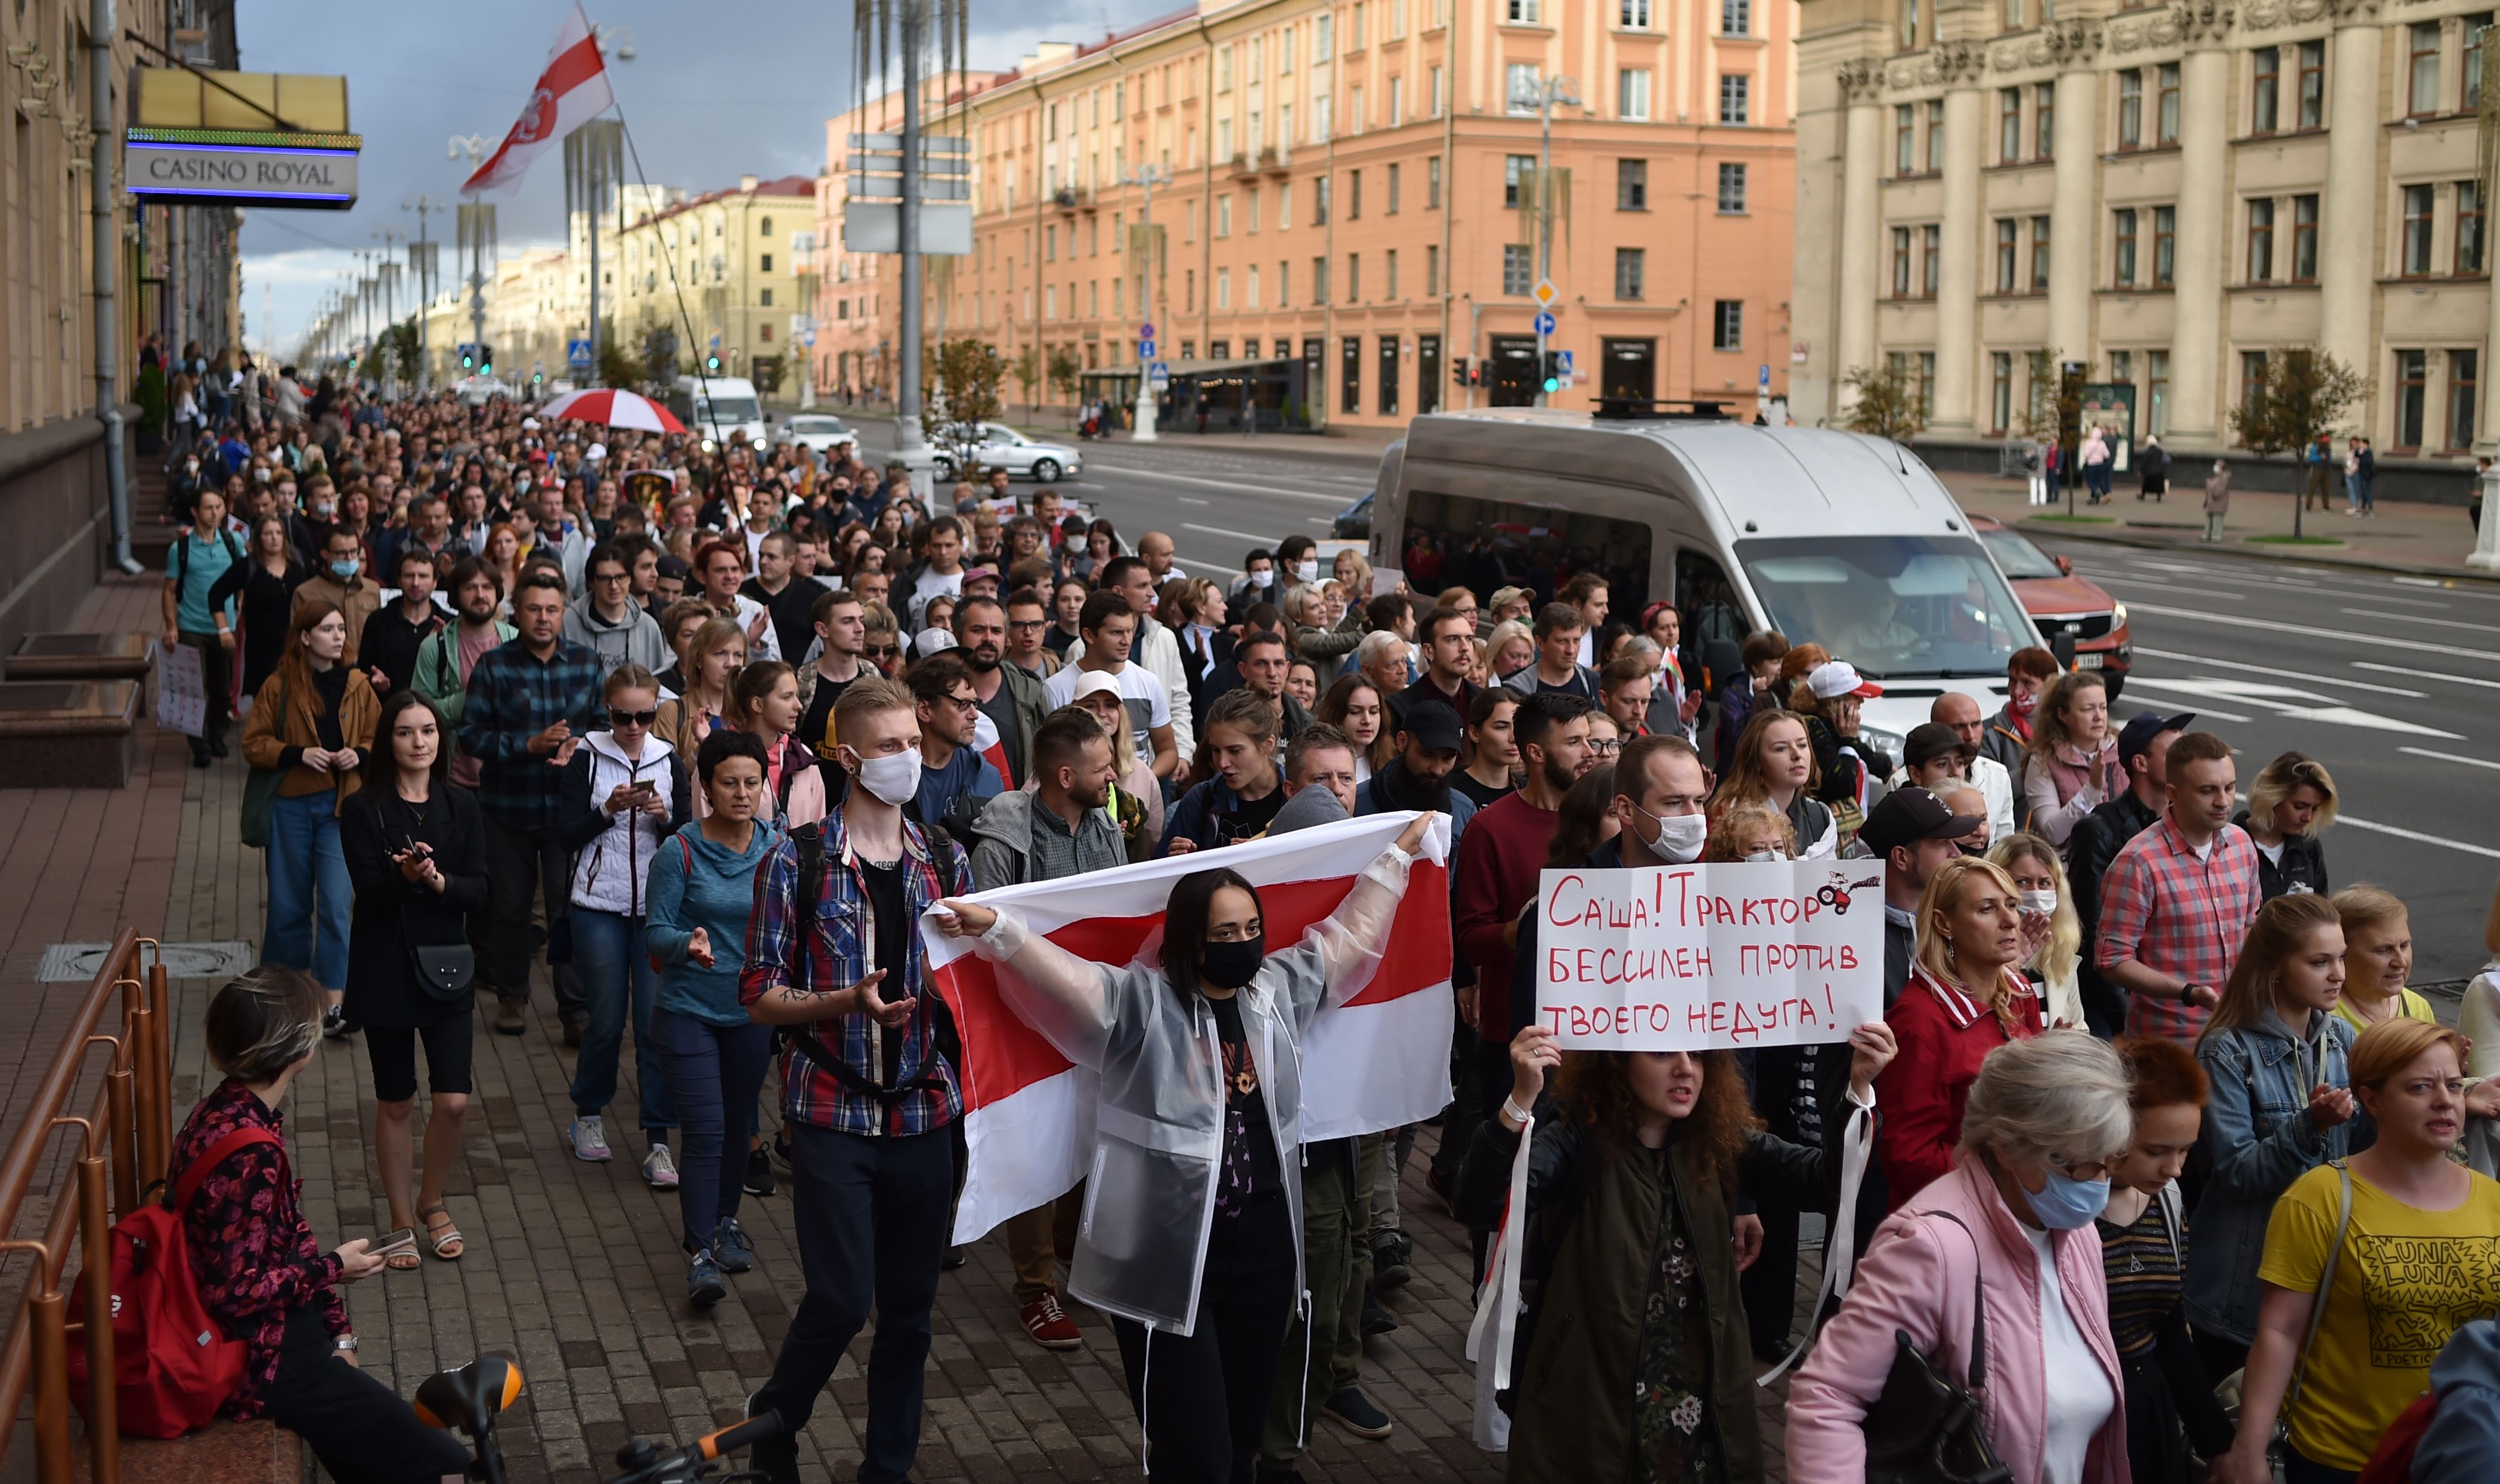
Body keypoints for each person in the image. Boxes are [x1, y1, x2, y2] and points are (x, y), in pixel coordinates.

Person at [932, 816, 1434, 1483]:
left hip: (1263, 1253)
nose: (1244, 944)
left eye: (1251, 929)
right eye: (1225, 933)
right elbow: (1067, 979)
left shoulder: (1275, 992)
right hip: (1168, 1261)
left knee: (1239, 1438)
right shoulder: (1141, 1003)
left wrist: (1394, 858)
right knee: (1189, 1444)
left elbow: (1348, 939)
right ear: (1190, 940)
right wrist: (998, 928)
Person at [1454, 1016, 1898, 1484]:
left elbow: (1827, 1181)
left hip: (1699, 1410)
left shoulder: (1718, 1142)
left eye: (1698, 1055)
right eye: (1663, 1053)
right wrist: (1520, 1099)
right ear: (1618, 1059)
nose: (1686, 1068)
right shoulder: (1575, 1143)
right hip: (1596, 1404)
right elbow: (1480, 1201)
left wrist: (1858, 1092)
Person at [739, 678, 975, 1484]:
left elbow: (976, 988)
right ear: (847, 758)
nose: (908, 758)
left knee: (909, 1317)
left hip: (925, 1113)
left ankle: (887, 1469)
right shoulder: (794, 859)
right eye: (889, 746)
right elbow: (760, 994)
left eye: (913, 742)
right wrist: (844, 1000)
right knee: (841, 1300)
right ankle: (774, 1423)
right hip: (831, 1111)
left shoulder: (945, 858)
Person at [1788, 1031, 2136, 1484]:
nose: (2098, 1181)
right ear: (2008, 1145)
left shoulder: (2076, 1234)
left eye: (2110, 1160)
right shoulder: (1929, 1245)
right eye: (2080, 1164)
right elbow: (1828, 1396)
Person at [169, 969, 475, 1484]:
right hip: (264, 1361)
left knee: (379, 1452)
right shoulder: (252, 1154)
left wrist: (342, 1333)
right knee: (448, 1466)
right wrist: (334, 1267)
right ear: (298, 1050)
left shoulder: (224, 1111)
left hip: (282, 1340)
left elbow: (285, 1240)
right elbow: (234, 1291)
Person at [2217, 1020, 2500, 1484]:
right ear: (2371, 1100)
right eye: (2419, 1087)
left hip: (2464, 1456)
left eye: (2452, 1085)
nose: (2444, 1100)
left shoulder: (2491, 1200)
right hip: (2340, 1460)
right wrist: (2248, 1449)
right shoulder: (2320, 1196)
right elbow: (2279, 1330)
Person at [2185, 892, 2359, 1378]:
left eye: (2341, 957)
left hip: (2321, 1283)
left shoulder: (2342, 1040)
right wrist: (2310, 1125)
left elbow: (2370, 1150)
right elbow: (2238, 1172)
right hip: (2241, 1293)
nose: (2338, 974)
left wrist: (2450, 1092)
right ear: (2276, 966)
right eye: (2319, 961)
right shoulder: (2226, 1050)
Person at [339, 693, 487, 1269]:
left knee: (452, 1101)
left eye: (428, 730)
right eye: (405, 732)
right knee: (396, 1099)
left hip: (447, 964)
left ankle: (433, 1199)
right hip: (385, 964)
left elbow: (480, 890)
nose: (419, 741)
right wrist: (404, 875)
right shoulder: (363, 808)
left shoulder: (463, 806)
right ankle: (402, 1218)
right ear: (388, 741)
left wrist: (437, 881)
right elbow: (368, 893)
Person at [647, 729, 783, 1306]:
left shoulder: (777, 849)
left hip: (751, 1012)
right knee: (704, 1130)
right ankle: (700, 1253)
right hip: (687, 1010)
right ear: (705, 786)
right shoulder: (677, 851)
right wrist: (688, 945)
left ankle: (726, 1222)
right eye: (729, 782)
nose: (742, 792)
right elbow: (654, 930)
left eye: (752, 782)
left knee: (737, 1128)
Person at [459, 568, 603, 1041]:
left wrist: (578, 743)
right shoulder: (495, 665)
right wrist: (529, 745)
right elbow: (470, 734)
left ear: (565, 613)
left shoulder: (587, 662)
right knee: (510, 909)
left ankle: (575, 1010)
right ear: (515, 613)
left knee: (570, 908)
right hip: (507, 808)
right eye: (534, 609)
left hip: (568, 811)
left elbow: (604, 725)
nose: (543, 618)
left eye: (552, 609)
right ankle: (511, 996)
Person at [555, 664, 687, 1181]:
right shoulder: (585, 758)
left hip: (656, 909)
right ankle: (587, 1114)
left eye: (644, 715)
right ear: (607, 710)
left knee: (656, 1025)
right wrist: (608, 809)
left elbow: (686, 836)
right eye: (622, 715)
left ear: (656, 711)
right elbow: (564, 836)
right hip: (596, 904)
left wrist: (663, 818)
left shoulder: (668, 758)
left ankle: (658, 1139)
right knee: (606, 1020)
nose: (633, 725)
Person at [2096, 1037, 2232, 1484]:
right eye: (2156, 1151)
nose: (2174, 1168)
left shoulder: (2167, 1201)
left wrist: (2217, 1445)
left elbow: (2171, 1332)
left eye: (2185, 1150)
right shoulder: (2065, 1215)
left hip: (2148, 1410)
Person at [1876, 856, 2048, 1207]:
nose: (2010, 921)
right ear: (1944, 923)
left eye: (2011, 905)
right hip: (1952, 1216)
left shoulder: (2020, 992)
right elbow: (1910, 1157)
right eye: (1987, 909)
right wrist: (2006, 1174)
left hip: (2024, 1201)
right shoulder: (1918, 1020)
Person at [1454, 693, 1593, 1115]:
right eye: (1573, 742)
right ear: (1535, 752)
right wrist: (1530, 923)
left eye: (1588, 740)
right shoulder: (1488, 828)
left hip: (1596, 1027)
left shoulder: (1605, 820)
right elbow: (1472, 939)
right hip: (1518, 1036)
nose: (1589, 753)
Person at [244, 600, 379, 1037]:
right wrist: (297, 753)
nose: (338, 636)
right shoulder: (280, 684)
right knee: (288, 904)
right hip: (291, 803)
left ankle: (334, 1002)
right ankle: (288, 998)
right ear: (304, 637)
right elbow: (254, 742)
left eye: (341, 628)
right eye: (326, 629)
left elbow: (379, 738)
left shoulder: (359, 684)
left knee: (338, 906)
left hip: (342, 808)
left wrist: (357, 753)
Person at [2098, 730, 2262, 1042]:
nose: (2223, 801)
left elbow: (2250, 926)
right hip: (2172, 1042)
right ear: (2173, 792)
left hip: (2238, 1034)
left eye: (2230, 788)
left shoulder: (2241, 845)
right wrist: (2187, 993)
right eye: (2207, 791)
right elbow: (2112, 961)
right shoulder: (2138, 862)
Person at [2070, 711, 2191, 1038]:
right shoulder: (2098, 831)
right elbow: (2094, 935)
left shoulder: (2190, 827)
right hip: (2118, 1006)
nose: (2188, 762)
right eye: (2175, 755)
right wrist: (2126, 1021)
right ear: (2140, 763)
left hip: (2179, 1002)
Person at [1860, 786, 1987, 1007]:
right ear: (1901, 857)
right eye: (1942, 843)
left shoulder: (1951, 916)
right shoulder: (1850, 932)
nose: (1956, 853)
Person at [1043, 591, 1179, 782]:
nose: (1127, 640)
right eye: (1116, 633)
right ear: (1089, 635)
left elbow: (1168, 750)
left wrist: (1141, 782)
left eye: (1129, 630)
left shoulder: (1148, 683)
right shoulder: (1056, 688)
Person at [166, 485, 246, 766]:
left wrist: (238, 604)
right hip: (192, 625)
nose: (216, 513)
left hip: (225, 627)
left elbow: (243, 575)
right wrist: (171, 626)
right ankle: (198, 744)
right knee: (193, 687)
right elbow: (169, 590)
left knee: (222, 687)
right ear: (195, 512)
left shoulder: (232, 541)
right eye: (209, 508)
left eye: (219, 507)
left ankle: (217, 735)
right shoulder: (181, 548)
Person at [1163, 689, 1291, 853]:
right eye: (1216, 750)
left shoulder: (1296, 797)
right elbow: (1158, 872)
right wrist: (1178, 860)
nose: (1222, 763)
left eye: (1235, 751)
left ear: (1269, 744)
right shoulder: (1200, 799)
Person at [209, 510, 311, 712]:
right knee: (267, 703)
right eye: (268, 534)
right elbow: (216, 594)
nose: (274, 538)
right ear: (259, 538)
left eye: (278, 533)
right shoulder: (248, 566)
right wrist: (223, 630)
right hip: (260, 648)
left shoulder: (298, 562)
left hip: (295, 645)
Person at [1099, 554, 1197, 762]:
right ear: (1118, 592)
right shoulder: (1084, 648)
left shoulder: (1165, 638)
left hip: (1158, 766)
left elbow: (1178, 700)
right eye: (1143, 586)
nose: (1152, 593)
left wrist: (1182, 753)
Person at [1992, 832, 2088, 1031]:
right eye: (2023, 882)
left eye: (2044, 883)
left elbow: (2080, 1030)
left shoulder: (2062, 955)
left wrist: (2063, 1045)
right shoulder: (1978, 956)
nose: (2035, 891)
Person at [1712, 708, 1838, 858]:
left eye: (1802, 745)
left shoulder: (1821, 816)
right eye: (1781, 748)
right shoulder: (1730, 813)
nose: (1797, 755)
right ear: (1757, 761)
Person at [1067, 670, 1166, 858]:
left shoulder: (1142, 773)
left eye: (1110, 706)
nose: (1102, 714)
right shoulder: (1057, 771)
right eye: (1091, 706)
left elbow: (1155, 843)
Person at [2021, 672, 2123, 851]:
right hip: (2069, 867)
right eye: (2088, 709)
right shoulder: (2043, 760)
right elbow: (2053, 833)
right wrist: (2091, 791)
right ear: (2062, 715)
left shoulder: (2123, 749)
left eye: (2103, 707)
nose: (2099, 716)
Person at [955, 595, 1049, 788]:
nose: (988, 638)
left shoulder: (1030, 692)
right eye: (978, 630)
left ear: (1006, 638)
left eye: (996, 631)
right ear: (958, 634)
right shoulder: (937, 694)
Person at [906, 652, 1004, 834]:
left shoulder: (987, 777)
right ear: (925, 710)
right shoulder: (889, 775)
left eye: (975, 703)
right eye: (963, 704)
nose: (975, 715)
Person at [2330, 884, 2435, 1031]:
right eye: (2383, 950)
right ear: (2342, 953)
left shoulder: (2418, 1006)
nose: (2401, 962)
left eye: (2404, 946)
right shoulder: (2323, 1018)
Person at [2236, 750, 2336, 900]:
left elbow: (2321, 909)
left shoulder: (2309, 848)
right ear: (2272, 797)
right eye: (2299, 806)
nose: (2308, 817)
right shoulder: (2231, 847)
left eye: (2314, 809)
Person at [565, 541, 671, 679]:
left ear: (630, 579)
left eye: (621, 577)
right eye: (605, 578)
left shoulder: (648, 628)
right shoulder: (569, 623)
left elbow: (658, 683)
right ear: (592, 583)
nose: (614, 586)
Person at [354, 544, 445, 700]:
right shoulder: (378, 621)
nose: (415, 583)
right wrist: (373, 679)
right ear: (399, 580)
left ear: (435, 582)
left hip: (433, 712)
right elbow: (363, 667)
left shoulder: (447, 624)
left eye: (423, 576)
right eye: (409, 576)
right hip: (388, 709)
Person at [656, 616, 746, 761]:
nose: (730, 664)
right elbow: (665, 777)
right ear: (699, 660)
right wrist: (699, 751)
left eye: (738, 655)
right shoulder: (672, 712)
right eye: (720, 653)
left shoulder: (750, 713)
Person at [292, 524, 382, 666]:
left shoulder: (372, 589)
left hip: (363, 672)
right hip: (322, 671)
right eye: (341, 553)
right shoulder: (305, 593)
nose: (349, 558)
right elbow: (296, 641)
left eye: (354, 551)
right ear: (325, 554)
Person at [1389, 604, 1480, 734]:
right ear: (1429, 651)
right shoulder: (1400, 707)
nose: (1465, 647)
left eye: (1469, 639)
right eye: (1453, 639)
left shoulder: (1484, 702)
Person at [1979, 646, 2061, 789]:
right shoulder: (1990, 732)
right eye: (2012, 681)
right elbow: (1989, 789)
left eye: (2027, 683)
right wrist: (2031, 771)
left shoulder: (2066, 727)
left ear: (2050, 686)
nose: (2017, 691)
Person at [1503, 603, 1599, 701]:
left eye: (1576, 641)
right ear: (1540, 643)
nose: (1571, 650)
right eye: (1562, 641)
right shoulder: (1515, 691)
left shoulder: (1594, 684)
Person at [1314, 674, 1390, 782]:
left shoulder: (1388, 764)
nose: (1367, 721)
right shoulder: (1316, 764)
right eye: (1356, 712)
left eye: (1374, 712)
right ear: (1335, 714)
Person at [1455, 687, 1518, 809]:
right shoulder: (1451, 790)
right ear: (1475, 733)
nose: (1514, 738)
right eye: (1502, 727)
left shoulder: (1530, 790)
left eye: (1519, 726)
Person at [2201, 460, 2232, 543]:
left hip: (2218, 504)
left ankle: (2216, 537)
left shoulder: (2224, 478)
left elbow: (2218, 492)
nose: (2216, 468)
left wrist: (2209, 485)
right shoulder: (2217, 477)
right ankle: (2207, 536)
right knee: (2209, 521)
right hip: (2211, 504)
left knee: (2217, 521)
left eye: (2218, 466)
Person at [2136, 433, 2169, 503]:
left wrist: (2141, 470)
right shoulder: (2159, 451)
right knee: (2158, 485)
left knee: (2146, 484)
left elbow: (2145, 462)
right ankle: (2159, 497)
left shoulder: (2148, 452)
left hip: (2150, 471)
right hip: (2159, 471)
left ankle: (2143, 495)